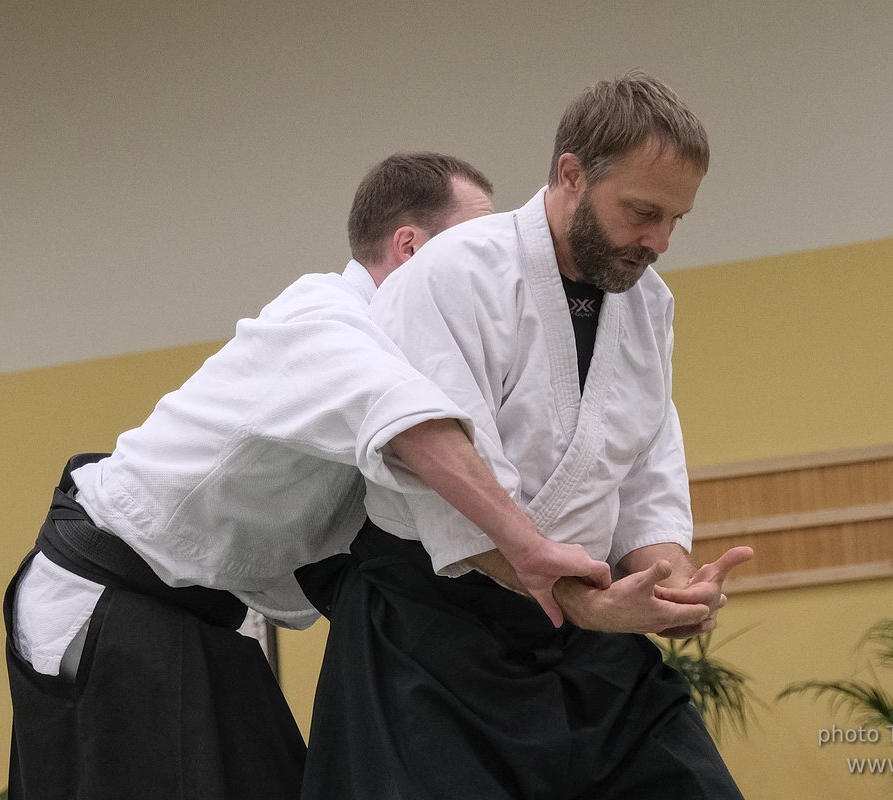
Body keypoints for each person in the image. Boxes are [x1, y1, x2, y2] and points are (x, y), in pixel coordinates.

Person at [3, 152, 611, 800]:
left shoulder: (415, 357)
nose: (495, 275)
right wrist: (532, 549)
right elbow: (409, 421)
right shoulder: (323, 317)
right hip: (109, 590)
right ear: (410, 246)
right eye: (475, 248)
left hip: (192, 610)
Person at [303, 73, 752, 799]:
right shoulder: (455, 273)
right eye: (643, 211)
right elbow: (447, 477)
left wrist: (667, 582)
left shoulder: (648, 305)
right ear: (571, 175)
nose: (660, 241)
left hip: (583, 623)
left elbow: (645, 467)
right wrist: (587, 601)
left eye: (676, 220)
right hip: (436, 628)